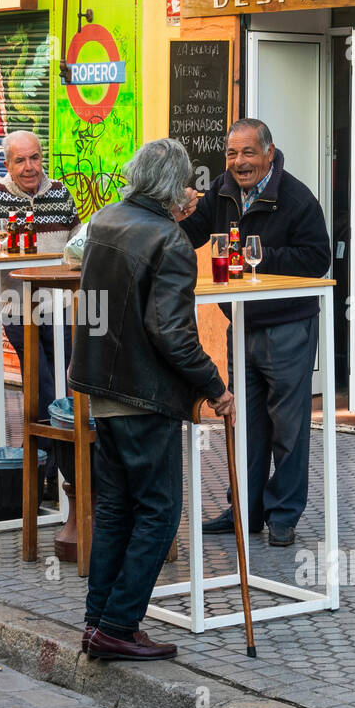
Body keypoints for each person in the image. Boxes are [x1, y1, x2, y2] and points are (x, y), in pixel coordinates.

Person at [70, 138, 235, 661]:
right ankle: (117, 624)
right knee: (159, 513)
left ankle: (100, 623)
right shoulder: (170, 240)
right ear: (173, 185)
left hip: (103, 388)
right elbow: (171, 330)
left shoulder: (106, 220)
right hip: (143, 393)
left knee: (117, 508)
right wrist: (215, 386)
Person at [179, 118, 331, 546]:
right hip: (240, 324)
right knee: (243, 426)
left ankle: (283, 515)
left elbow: (317, 257)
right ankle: (245, 511)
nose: (239, 162)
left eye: (248, 153)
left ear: (268, 152)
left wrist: (257, 258)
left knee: (288, 428)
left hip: (287, 327)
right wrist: (168, 212)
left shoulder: (296, 198)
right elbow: (190, 233)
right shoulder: (222, 193)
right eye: (231, 153)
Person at [0, 130, 79, 495]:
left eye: (35, 158)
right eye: (21, 160)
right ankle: (53, 468)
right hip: (17, 308)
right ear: (7, 164)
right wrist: (6, 251)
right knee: (44, 383)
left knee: (59, 384)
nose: (30, 167)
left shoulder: (60, 192)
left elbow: (76, 239)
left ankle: (47, 469)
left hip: (60, 305)